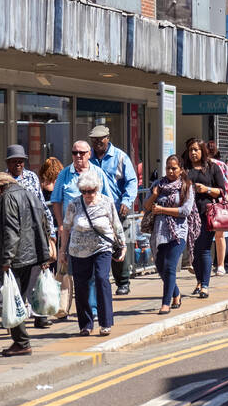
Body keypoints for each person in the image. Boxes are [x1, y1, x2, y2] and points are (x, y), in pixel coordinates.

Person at [0, 170, 53, 355]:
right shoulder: (31, 195)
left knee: (12, 300)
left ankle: (22, 343)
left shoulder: (7, 198)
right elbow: (43, 225)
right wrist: (44, 255)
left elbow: (11, 229)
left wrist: (6, 259)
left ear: (0, 187)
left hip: (17, 258)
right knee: (20, 299)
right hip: (33, 255)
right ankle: (21, 341)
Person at [61, 170, 125, 336]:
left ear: (98, 188)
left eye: (91, 191)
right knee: (81, 287)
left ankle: (105, 323)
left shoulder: (106, 202)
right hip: (78, 251)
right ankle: (86, 325)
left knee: (102, 279)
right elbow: (66, 228)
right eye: (84, 191)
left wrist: (122, 244)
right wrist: (63, 251)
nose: (87, 195)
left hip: (102, 247)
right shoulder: (74, 205)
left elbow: (116, 224)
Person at [89, 125, 138, 295]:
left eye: (100, 139)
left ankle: (123, 281)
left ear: (108, 138)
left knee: (118, 244)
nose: (97, 143)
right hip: (94, 210)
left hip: (117, 209)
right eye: (94, 140)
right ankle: (97, 282)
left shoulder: (120, 157)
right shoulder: (88, 158)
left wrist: (127, 201)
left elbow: (131, 181)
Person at [146, 155, 195, 315]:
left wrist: (162, 210)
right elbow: (146, 206)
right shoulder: (157, 185)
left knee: (170, 267)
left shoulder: (186, 186)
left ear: (181, 170)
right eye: (168, 168)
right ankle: (176, 293)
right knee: (160, 267)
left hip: (178, 232)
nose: (170, 171)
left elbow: (185, 211)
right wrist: (154, 195)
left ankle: (165, 303)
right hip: (159, 232)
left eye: (174, 168)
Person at [0, 145, 56, 240]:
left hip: (31, 235)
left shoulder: (32, 178)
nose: (18, 164)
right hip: (6, 236)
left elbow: (42, 206)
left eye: (21, 161)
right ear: (7, 163)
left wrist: (51, 232)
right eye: (14, 161)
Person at [182, 140, 227, 296]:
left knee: (204, 249)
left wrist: (206, 189)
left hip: (207, 214)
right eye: (190, 150)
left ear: (202, 151)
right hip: (188, 216)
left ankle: (205, 286)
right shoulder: (184, 170)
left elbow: (222, 191)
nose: (193, 153)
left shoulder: (212, 168)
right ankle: (199, 281)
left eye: (196, 150)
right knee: (193, 250)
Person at [39, 157, 71, 322]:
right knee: (62, 269)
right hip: (60, 229)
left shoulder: (41, 187)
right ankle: (61, 307)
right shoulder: (61, 186)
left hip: (46, 232)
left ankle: (46, 307)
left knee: (46, 270)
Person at [206, 140, 228, 276]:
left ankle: (202, 263)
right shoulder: (222, 165)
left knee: (204, 236)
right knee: (220, 235)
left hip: (208, 202)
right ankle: (220, 265)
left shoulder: (204, 165)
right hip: (220, 202)